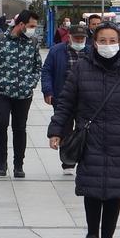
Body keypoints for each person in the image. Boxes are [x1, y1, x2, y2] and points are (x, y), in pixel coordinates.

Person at [48, 22, 120, 238]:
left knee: (114, 192)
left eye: (112, 41)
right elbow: (66, 102)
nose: (107, 45)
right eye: (102, 41)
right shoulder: (81, 69)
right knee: (93, 189)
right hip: (92, 137)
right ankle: (91, 235)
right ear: (94, 43)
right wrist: (56, 130)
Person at [0, 10, 43, 178]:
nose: (33, 29)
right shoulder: (0, 39)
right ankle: (2, 162)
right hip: (1, 92)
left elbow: (38, 66)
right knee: (1, 124)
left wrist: (31, 82)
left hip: (23, 94)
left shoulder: (32, 42)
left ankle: (18, 165)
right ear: (21, 24)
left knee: (20, 128)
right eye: (31, 26)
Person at [41, 25, 90, 176]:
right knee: (65, 129)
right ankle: (67, 161)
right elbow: (47, 71)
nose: (79, 41)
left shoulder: (91, 52)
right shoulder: (57, 51)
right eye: (76, 38)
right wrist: (47, 90)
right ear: (69, 37)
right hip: (63, 96)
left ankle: (85, 159)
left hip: (86, 97)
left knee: (85, 129)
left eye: (82, 38)